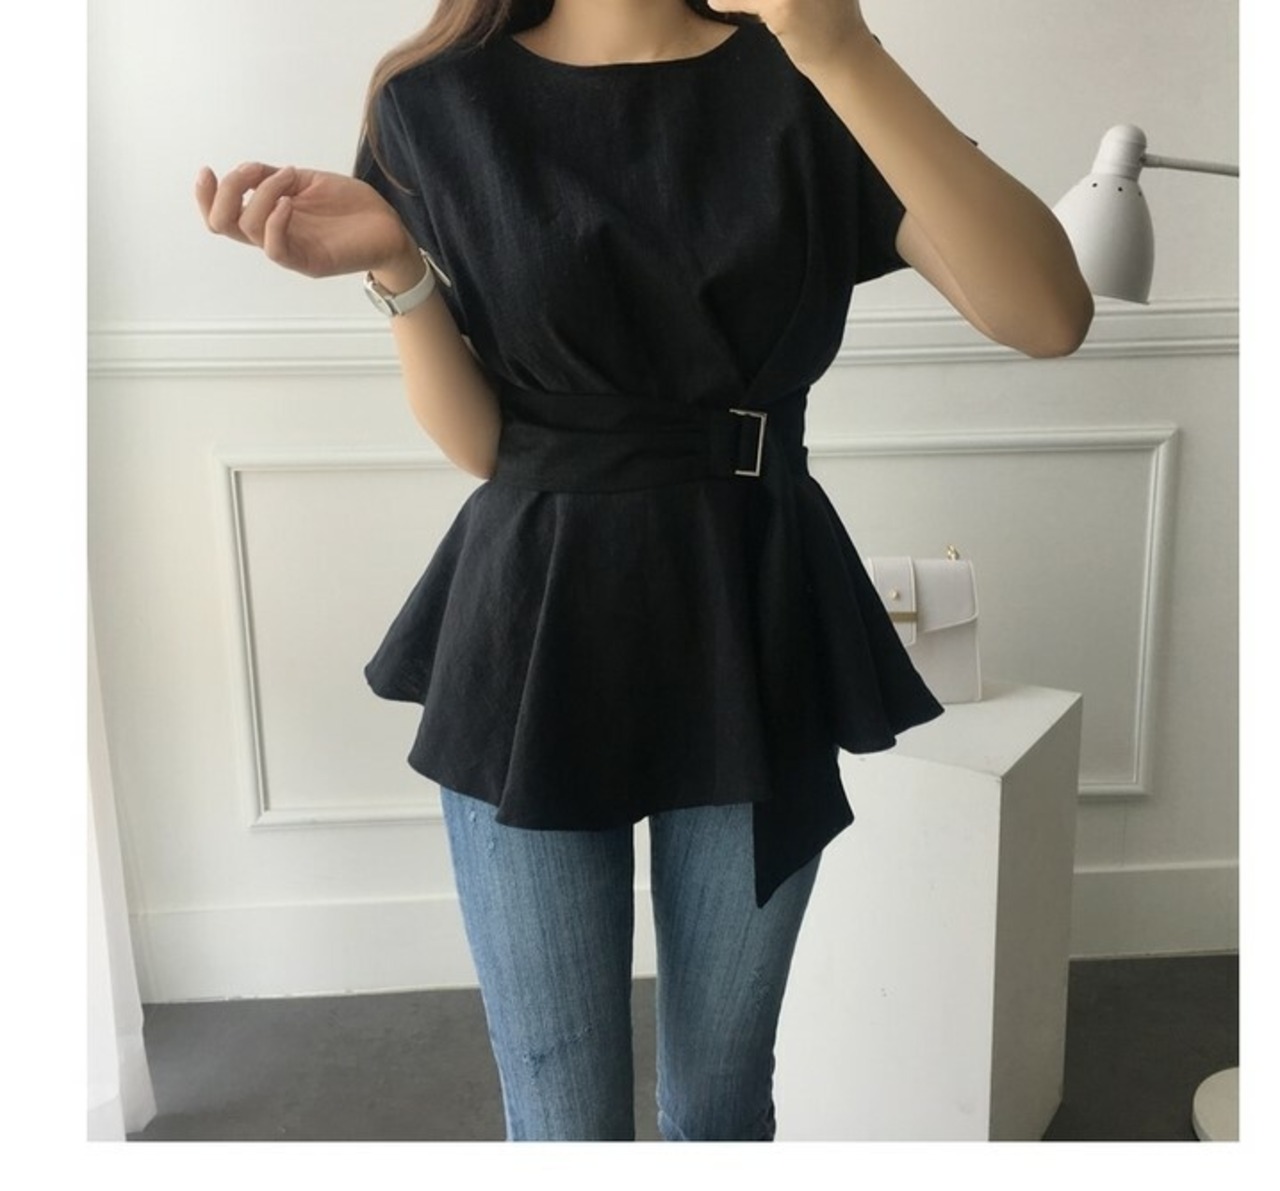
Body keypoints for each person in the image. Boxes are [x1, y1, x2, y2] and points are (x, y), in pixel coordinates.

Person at [196, 0, 1092, 1142]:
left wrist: (839, 47)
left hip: (752, 612)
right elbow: (487, 446)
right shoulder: (435, 101)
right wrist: (397, 268)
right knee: (560, 1117)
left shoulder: (807, 77)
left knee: (719, 1105)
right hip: (535, 627)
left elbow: (1046, 315)